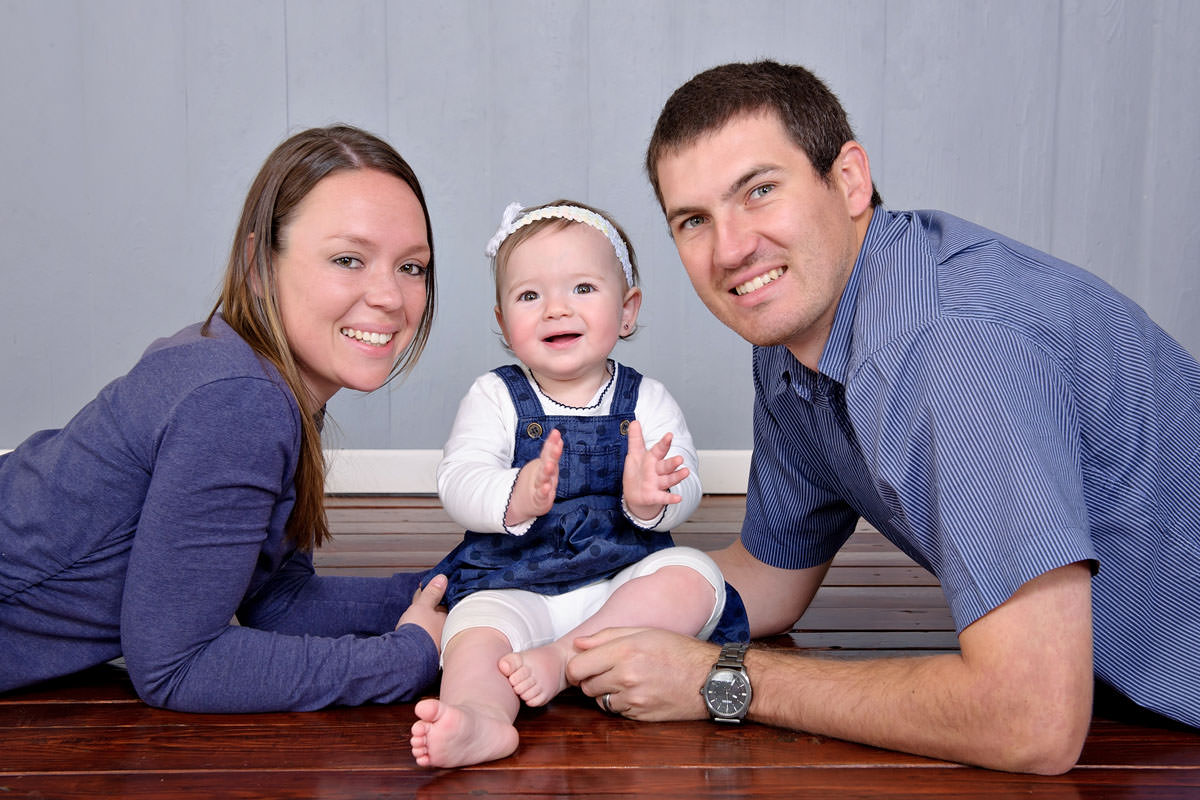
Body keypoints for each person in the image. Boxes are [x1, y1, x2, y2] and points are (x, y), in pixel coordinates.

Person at [565, 60, 1200, 775]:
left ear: (849, 180)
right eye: (694, 221)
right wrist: (543, 598)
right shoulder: (792, 338)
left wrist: (719, 680)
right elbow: (769, 577)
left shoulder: (949, 346)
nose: (731, 249)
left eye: (761, 191)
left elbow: (1033, 721)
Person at [0, 125, 448, 712]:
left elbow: (277, 600)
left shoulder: (264, 379)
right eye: (348, 259)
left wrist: (463, 589)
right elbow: (176, 668)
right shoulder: (237, 402)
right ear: (258, 266)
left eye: (412, 267)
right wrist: (408, 658)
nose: (390, 296)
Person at [409, 200, 746, 768]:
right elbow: (458, 478)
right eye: (529, 295)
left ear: (628, 310)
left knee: (695, 575)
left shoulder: (647, 399)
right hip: (516, 582)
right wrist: (513, 495)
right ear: (501, 320)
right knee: (474, 630)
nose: (555, 309)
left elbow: (686, 480)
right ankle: (481, 718)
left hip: (618, 590)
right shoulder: (495, 396)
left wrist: (651, 498)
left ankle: (562, 660)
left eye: (583, 288)